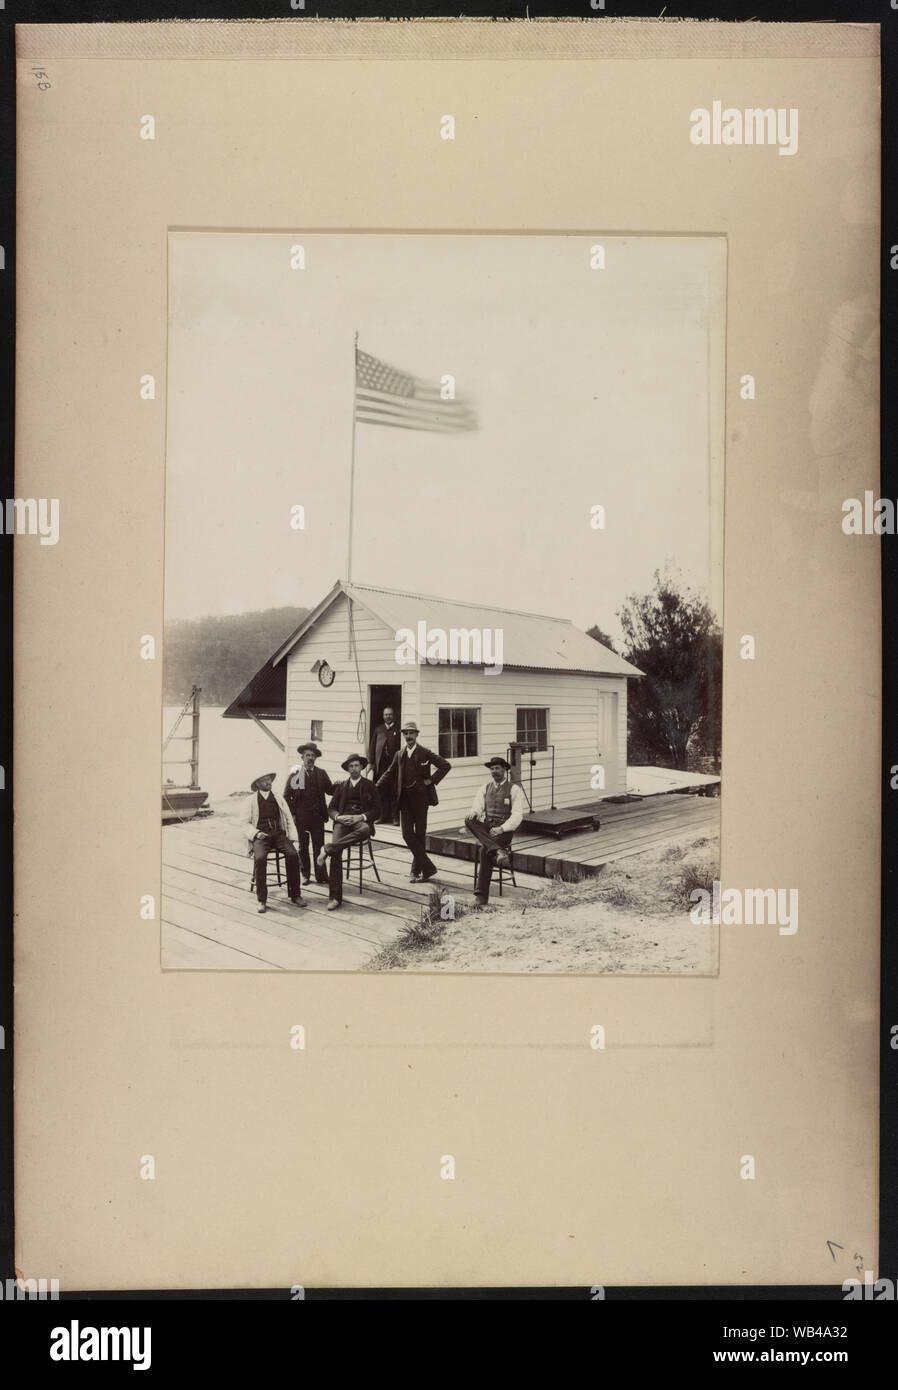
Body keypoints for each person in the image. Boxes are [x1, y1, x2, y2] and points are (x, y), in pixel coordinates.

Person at [376, 720, 450, 883]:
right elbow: (389, 773)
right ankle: (428, 868)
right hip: (404, 801)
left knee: (420, 835)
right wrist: (375, 788)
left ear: (416, 735)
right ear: (403, 736)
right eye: (405, 733)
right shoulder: (399, 754)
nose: (408, 736)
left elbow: (445, 765)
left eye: (411, 733)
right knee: (407, 834)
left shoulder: (425, 753)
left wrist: (431, 780)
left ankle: (416, 871)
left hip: (421, 800)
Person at [317, 754, 381, 911]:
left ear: (361, 767)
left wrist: (361, 816)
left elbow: (378, 810)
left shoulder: (369, 785)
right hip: (343, 822)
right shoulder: (341, 786)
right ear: (347, 769)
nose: (354, 769)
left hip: (360, 821)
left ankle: (328, 848)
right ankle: (335, 897)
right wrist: (339, 817)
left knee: (365, 830)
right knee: (336, 854)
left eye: (357, 766)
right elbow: (330, 808)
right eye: (351, 766)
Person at [465, 757, 525, 905]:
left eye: (497, 768)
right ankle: (498, 851)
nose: (494, 771)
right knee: (469, 819)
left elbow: (518, 815)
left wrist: (501, 829)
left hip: (504, 832)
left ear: (504, 769)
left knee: (484, 851)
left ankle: (481, 896)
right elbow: (477, 806)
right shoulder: (485, 787)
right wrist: (475, 813)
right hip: (488, 829)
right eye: (492, 769)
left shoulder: (514, 789)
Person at [243, 771, 304, 914]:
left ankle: (295, 894)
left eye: (269, 779)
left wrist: (293, 838)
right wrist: (257, 833)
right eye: (264, 780)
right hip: (261, 836)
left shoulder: (278, 798)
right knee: (260, 858)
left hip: (278, 835)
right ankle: (262, 899)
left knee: (293, 855)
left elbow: (288, 819)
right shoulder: (250, 801)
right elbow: (244, 824)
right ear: (257, 784)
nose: (268, 782)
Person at [283, 743, 333, 885]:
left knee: (320, 846)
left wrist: (341, 785)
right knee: (303, 846)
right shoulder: (296, 775)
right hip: (301, 817)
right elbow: (287, 797)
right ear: (302, 757)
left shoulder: (321, 773)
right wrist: (292, 814)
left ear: (316, 757)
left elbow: (330, 790)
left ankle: (321, 875)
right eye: (307, 755)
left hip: (317, 816)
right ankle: (305, 874)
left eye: (313, 755)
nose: (310, 758)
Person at [367, 706, 402, 823]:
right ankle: (382, 816)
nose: (388, 716)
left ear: (394, 716)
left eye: (390, 714)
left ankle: (394, 817)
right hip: (381, 766)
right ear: (383, 716)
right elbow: (372, 748)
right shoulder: (378, 730)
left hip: (394, 766)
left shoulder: (398, 730)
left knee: (393, 791)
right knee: (381, 791)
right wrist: (371, 763)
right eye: (386, 714)